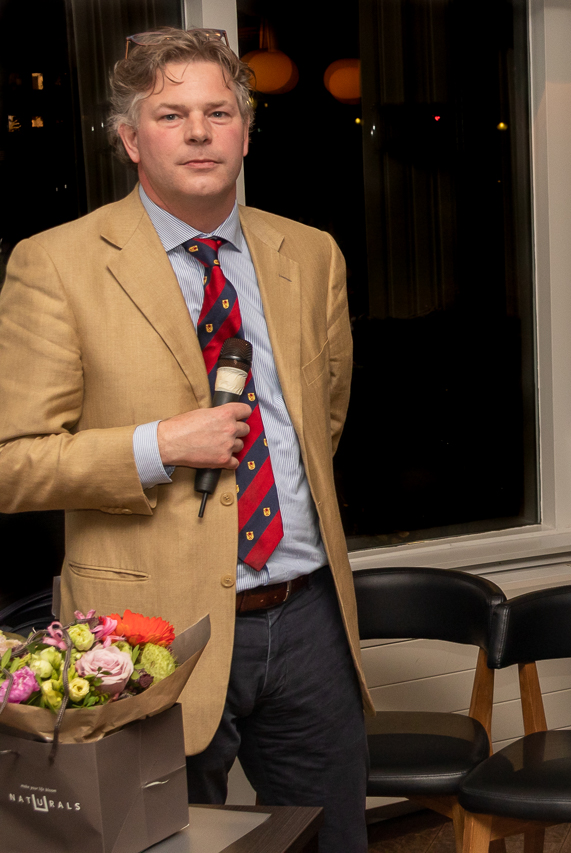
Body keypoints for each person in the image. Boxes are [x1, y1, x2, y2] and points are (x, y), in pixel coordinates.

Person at [0, 28, 370, 852]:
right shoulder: (55, 264)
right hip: (146, 633)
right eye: (171, 115)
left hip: (308, 615)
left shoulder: (310, 254)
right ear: (131, 140)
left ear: (245, 132)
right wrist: (156, 444)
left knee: (334, 837)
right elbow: (12, 461)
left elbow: (321, 422)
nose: (200, 132)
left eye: (218, 112)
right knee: (159, 842)